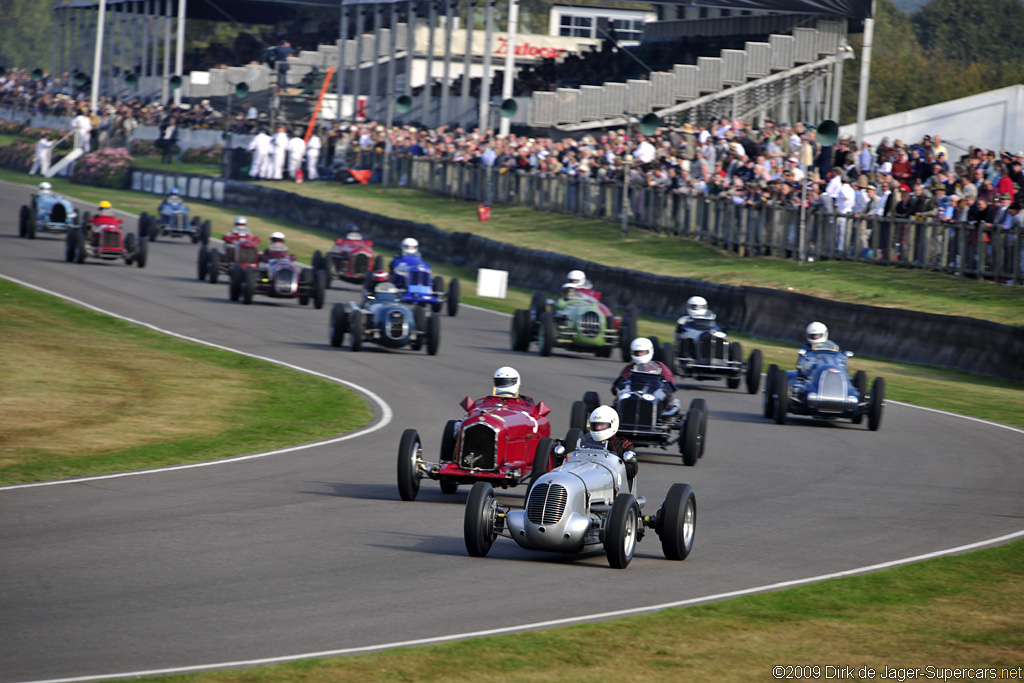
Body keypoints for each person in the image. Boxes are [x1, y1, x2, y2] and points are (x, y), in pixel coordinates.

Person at [612, 337, 679, 414]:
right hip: (632, 395)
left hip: (654, 395)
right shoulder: (629, 369)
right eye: (637, 352)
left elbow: (671, 385)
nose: (640, 354)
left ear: (649, 351)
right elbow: (616, 388)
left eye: (642, 352)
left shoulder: (661, 367)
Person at [578, 405, 637, 487]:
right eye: (595, 425)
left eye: (602, 425)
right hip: (587, 478)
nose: (598, 427)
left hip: (613, 487)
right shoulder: (586, 441)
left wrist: (618, 461)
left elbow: (632, 472)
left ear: (612, 425)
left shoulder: (624, 446)